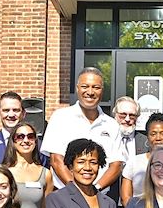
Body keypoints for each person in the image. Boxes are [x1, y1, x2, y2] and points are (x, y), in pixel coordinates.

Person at [40, 68, 124, 196]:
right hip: (66, 195)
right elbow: (56, 160)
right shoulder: (60, 117)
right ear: (77, 88)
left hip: (100, 196)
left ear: (102, 90)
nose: (90, 92)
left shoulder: (112, 124)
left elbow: (116, 165)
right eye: (85, 86)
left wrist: (95, 189)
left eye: (96, 87)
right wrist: (77, 191)